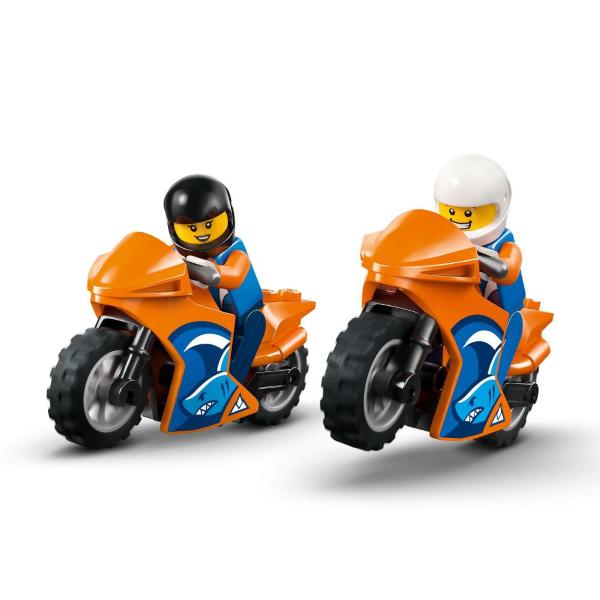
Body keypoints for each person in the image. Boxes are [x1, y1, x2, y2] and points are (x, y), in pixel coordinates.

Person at [164, 175, 265, 381]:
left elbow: (235, 275)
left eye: (210, 224)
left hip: (240, 316)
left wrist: (213, 273)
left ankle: (232, 380)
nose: (201, 233)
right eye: (191, 229)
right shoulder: (175, 254)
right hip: (200, 313)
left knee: (246, 334)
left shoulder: (236, 255)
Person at [434, 154, 526, 313]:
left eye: (468, 213)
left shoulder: (506, 246)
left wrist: (484, 261)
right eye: (451, 212)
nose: (458, 219)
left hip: (493, 304)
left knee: (493, 296)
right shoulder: (444, 241)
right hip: (459, 297)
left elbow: (509, 272)